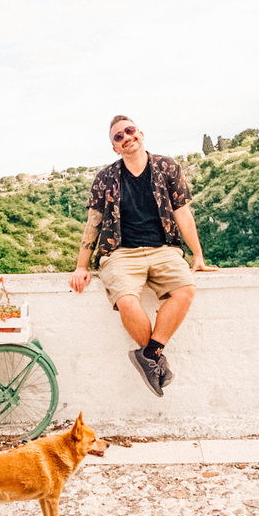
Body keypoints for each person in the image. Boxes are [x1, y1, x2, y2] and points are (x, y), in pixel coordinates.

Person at [69, 115, 216, 396]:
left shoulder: (167, 167)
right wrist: (81, 266)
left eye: (129, 131)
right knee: (126, 300)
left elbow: (182, 212)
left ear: (141, 133)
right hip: (120, 253)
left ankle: (149, 354)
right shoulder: (105, 178)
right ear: (115, 147)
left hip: (164, 249)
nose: (126, 137)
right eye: (118, 137)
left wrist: (198, 255)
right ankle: (156, 359)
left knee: (185, 290)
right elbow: (94, 222)